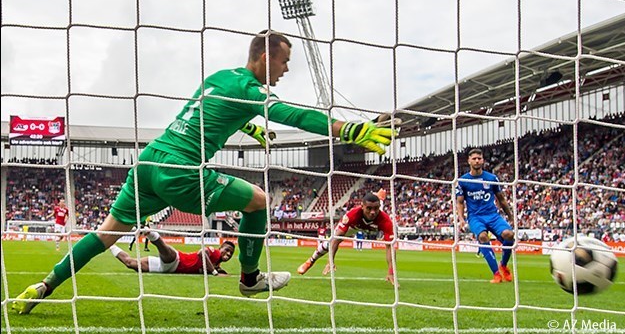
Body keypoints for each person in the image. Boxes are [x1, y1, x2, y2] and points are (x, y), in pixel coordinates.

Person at [13, 29, 397, 314]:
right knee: (258, 201)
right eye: (284, 61)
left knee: (104, 234)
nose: (285, 69)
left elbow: (206, 111)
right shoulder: (252, 90)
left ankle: (45, 285)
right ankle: (250, 278)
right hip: (180, 169)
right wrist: (348, 129)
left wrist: (248, 128)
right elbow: (292, 114)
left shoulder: (219, 77)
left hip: (148, 162)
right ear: (265, 56)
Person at [297, 193, 399, 287]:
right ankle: (310, 261)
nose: (373, 212)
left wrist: (391, 272)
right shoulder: (352, 215)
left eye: (376, 208)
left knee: (390, 243)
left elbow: (390, 246)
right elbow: (336, 240)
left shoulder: (385, 220)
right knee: (329, 243)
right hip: (352, 227)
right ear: (362, 206)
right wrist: (330, 261)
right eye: (369, 208)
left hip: (368, 228)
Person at [456, 148, 515, 284]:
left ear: (483, 160)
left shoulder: (491, 178)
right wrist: (461, 219)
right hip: (475, 217)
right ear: (469, 161)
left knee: (509, 235)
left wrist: (510, 216)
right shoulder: (463, 181)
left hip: (492, 215)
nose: (477, 161)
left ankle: (503, 265)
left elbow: (501, 199)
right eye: (474, 158)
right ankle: (496, 274)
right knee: (483, 236)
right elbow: (460, 202)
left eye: (479, 158)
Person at [111, 230, 235, 275]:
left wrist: (218, 270)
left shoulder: (216, 263)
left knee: (129, 263)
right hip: (177, 261)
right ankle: (151, 234)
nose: (228, 254)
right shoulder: (215, 253)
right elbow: (201, 253)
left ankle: (110, 245)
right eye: (227, 250)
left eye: (231, 253)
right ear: (221, 248)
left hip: (162, 268)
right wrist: (214, 272)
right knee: (165, 250)